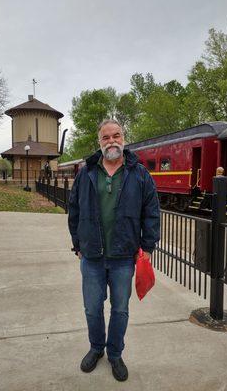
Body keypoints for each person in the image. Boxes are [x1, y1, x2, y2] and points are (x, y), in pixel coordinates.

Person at [68, 119, 160, 382]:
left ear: (123, 138)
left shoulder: (139, 174)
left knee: (120, 309)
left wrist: (148, 246)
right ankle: (96, 348)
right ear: (100, 142)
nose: (111, 141)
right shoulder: (86, 173)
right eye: (106, 137)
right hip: (92, 257)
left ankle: (115, 353)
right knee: (92, 309)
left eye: (116, 135)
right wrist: (78, 244)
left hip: (123, 257)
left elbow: (151, 213)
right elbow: (73, 211)